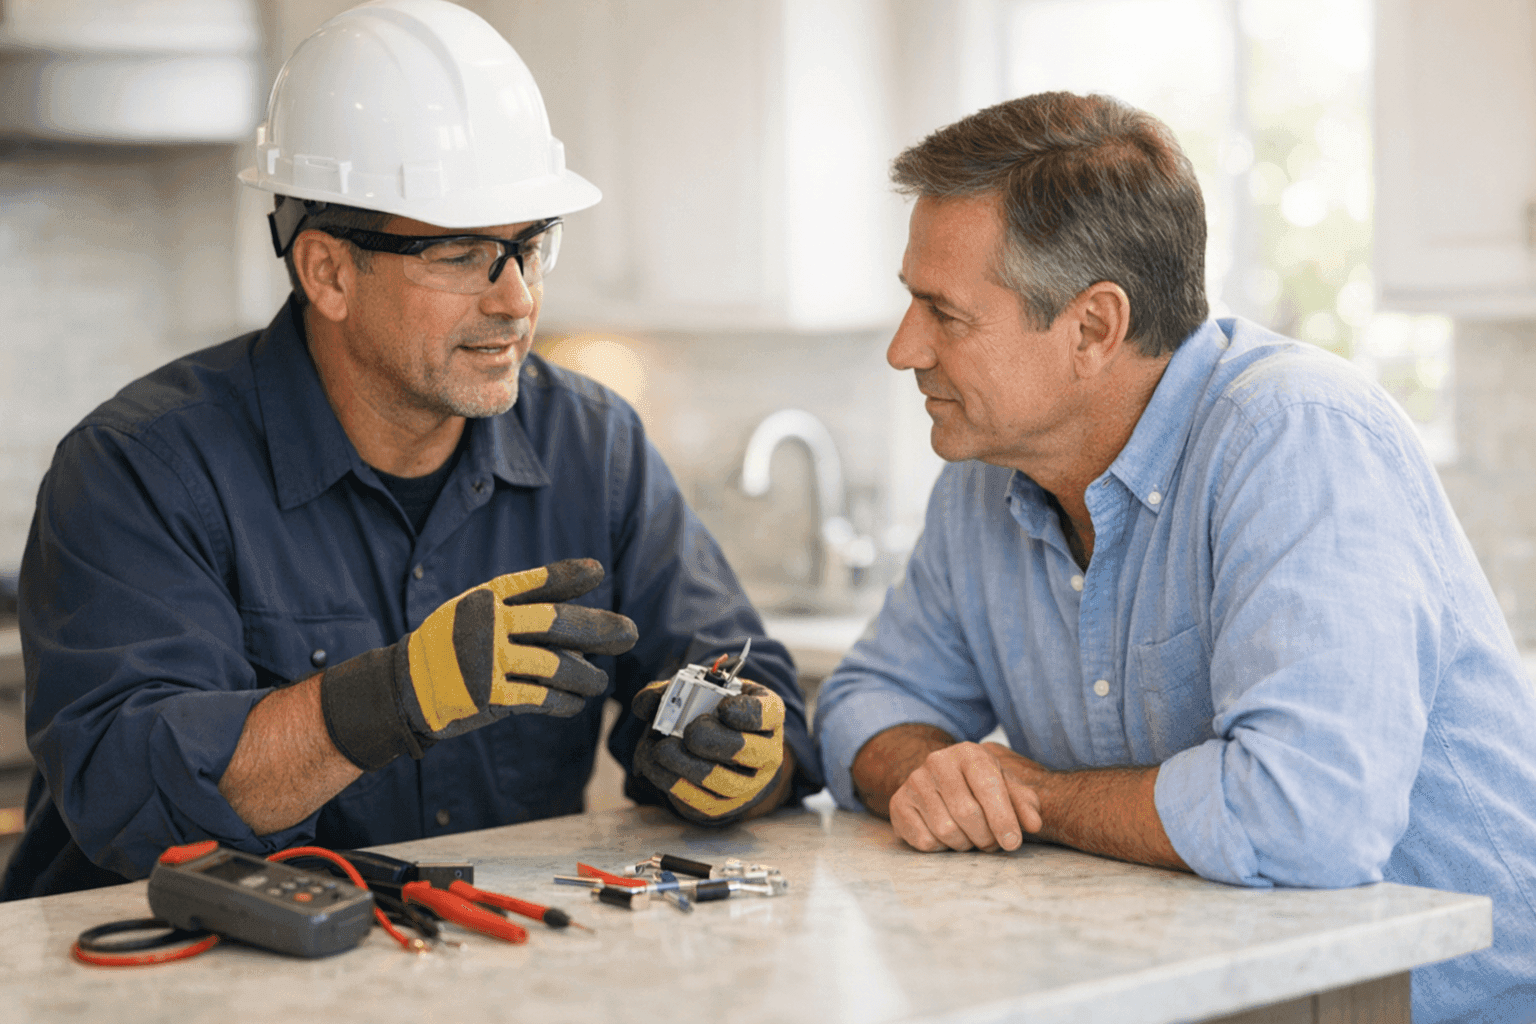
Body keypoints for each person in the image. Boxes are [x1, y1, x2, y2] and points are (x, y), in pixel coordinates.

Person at [3, 0, 819, 900]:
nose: (515, 300)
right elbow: (135, 802)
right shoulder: (140, 469)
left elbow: (745, 685)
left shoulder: (595, 443)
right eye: (463, 253)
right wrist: (390, 697)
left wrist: (737, 757)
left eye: (529, 245)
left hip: (469, 961)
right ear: (329, 272)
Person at [813, 91, 1536, 1024]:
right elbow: (863, 706)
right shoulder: (984, 478)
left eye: (943, 314)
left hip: (1438, 1004)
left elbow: (1306, 820)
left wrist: (1026, 790)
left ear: (1093, 328)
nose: (903, 347)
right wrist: (935, 770)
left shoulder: (1296, 437)